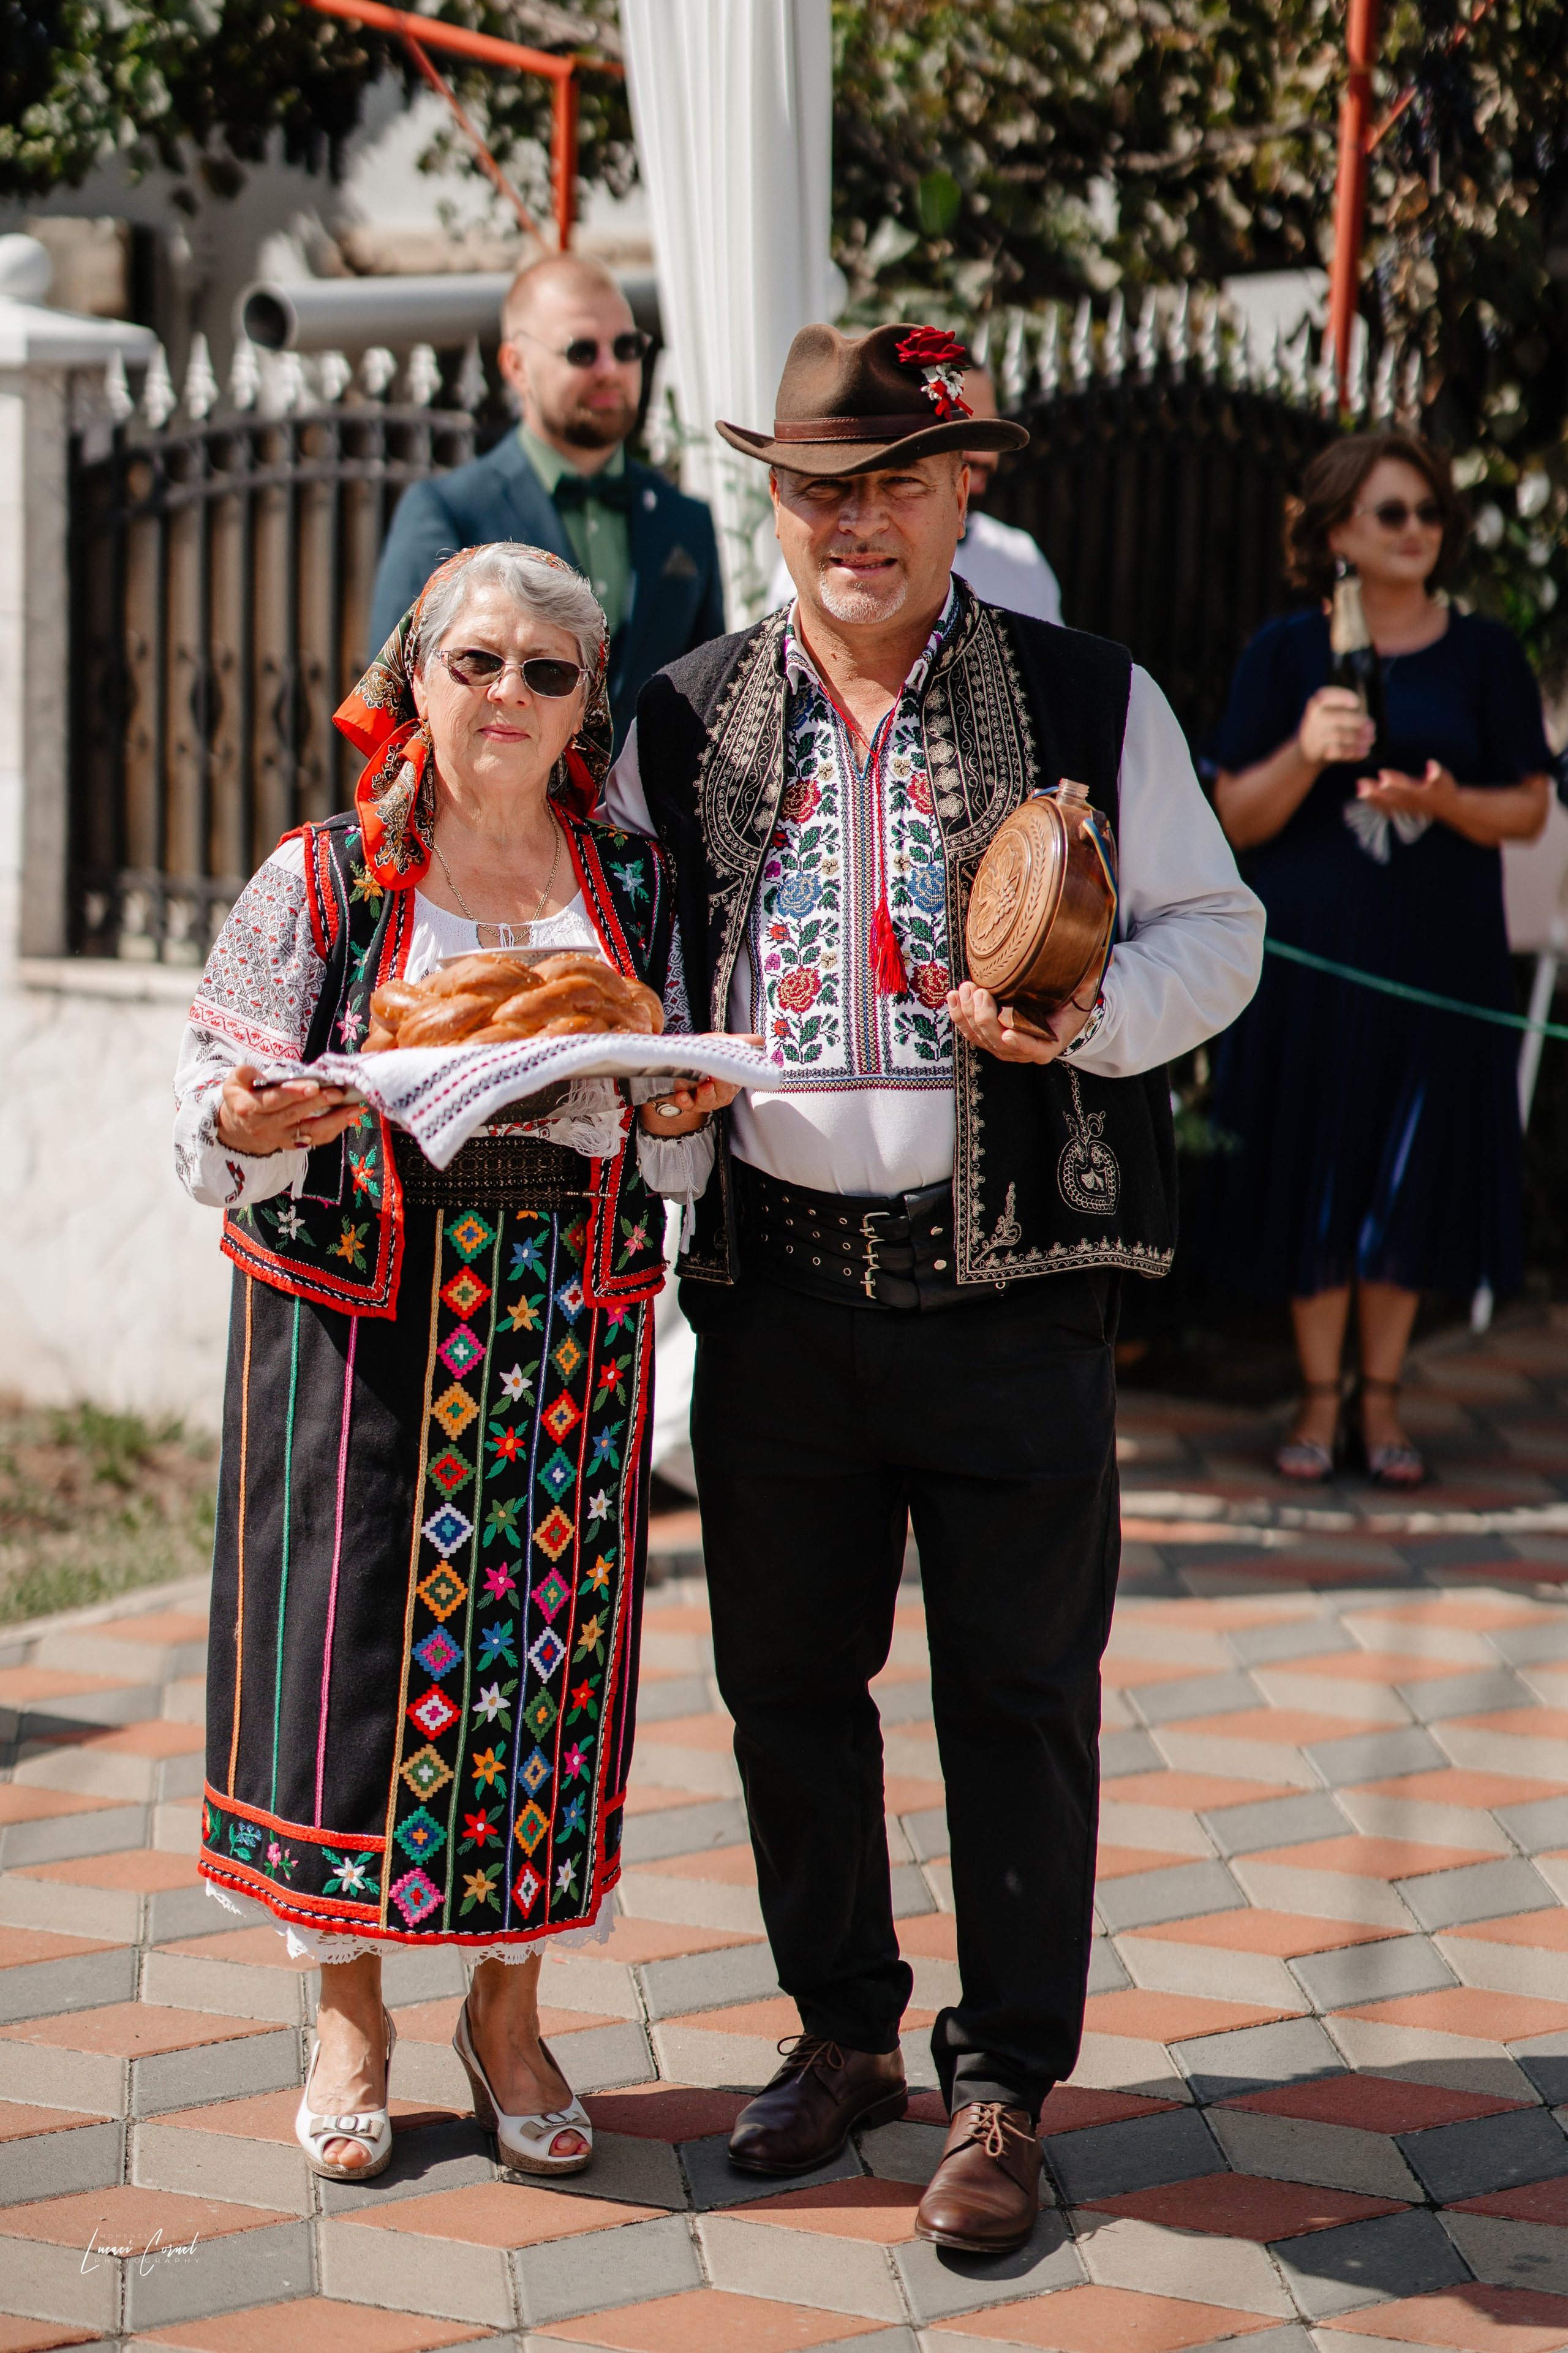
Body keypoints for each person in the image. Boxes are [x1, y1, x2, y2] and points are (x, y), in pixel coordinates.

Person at [600, 322, 1264, 2253]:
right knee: (785, 1684)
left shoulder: (1082, 692)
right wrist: (648, 1114)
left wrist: (1082, 1015)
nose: (855, 519)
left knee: (1015, 1690)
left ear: (963, 484)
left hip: (1011, 1289)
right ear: (772, 498)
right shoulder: (683, 711)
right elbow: (635, 973)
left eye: (896, 479)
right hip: (779, 1291)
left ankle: (1000, 2084)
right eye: (820, 484)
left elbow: (1217, 932)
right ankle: (840, 2031)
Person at [173, 542, 733, 2185]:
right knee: (338, 1666)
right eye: (476, 661)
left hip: (566, 1320)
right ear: (413, 672)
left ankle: (508, 2011)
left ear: (586, 707)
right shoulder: (325, 878)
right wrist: (249, 1119)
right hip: (357, 1320)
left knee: (539, 1682)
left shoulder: (631, 891)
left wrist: (684, 1115)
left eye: (548, 674)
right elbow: (208, 1108)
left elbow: (683, 1134)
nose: (508, 695)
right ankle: (348, 2013)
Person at [1202, 432, 1552, 1486]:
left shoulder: (1486, 653)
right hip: (1317, 961)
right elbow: (1235, 818)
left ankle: (1385, 1402)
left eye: (1431, 513)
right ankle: (1317, 1399)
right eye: (1393, 513)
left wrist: (1444, 799)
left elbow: (1529, 809)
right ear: (1339, 531)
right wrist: (1307, 751)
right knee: (1320, 1155)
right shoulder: (1285, 653)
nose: (1418, 532)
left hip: (1440, 955)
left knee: (1411, 1168)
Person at [370, 254, 726, 748]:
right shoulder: (447, 512)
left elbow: (714, 711)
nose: (611, 369)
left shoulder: (686, 521)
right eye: (582, 351)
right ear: (517, 365)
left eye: (626, 347)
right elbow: (401, 710)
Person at [767, 363, 1061, 624]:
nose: (864, 522)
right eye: (827, 483)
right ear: (778, 500)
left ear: (960, 496)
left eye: (902, 481)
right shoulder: (811, 571)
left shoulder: (1022, 560)